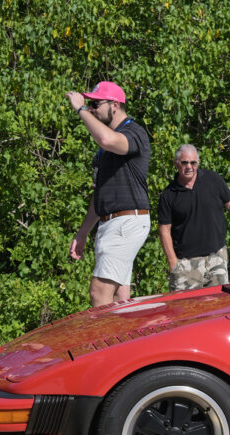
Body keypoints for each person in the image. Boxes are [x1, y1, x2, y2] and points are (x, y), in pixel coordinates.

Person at [65, 81, 151, 307]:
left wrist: (81, 109)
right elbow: (99, 195)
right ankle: (128, 343)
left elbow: (107, 139)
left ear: (114, 105)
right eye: (89, 104)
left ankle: (103, 343)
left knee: (99, 293)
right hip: (111, 222)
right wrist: (83, 233)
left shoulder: (134, 132)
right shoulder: (103, 152)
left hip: (125, 221)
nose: (92, 108)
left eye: (95, 104)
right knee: (119, 299)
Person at [157, 145, 230, 291]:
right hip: (186, 264)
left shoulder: (213, 179)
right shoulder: (168, 194)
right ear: (176, 163)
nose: (189, 167)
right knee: (185, 310)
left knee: (218, 306)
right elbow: (164, 230)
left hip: (216, 256)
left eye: (193, 163)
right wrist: (173, 263)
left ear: (198, 163)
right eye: (185, 162)